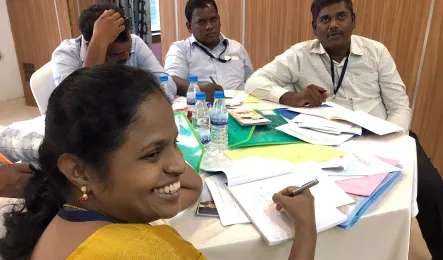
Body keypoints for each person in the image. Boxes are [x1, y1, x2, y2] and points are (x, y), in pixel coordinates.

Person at [0, 64, 317, 260]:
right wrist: (305, 227)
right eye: (152, 153)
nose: (179, 164)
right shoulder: (140, 252)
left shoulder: (62, 216)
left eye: (176, 142)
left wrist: (162, 154)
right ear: (80, 171)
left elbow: (189, 185)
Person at [245, 0, 443, 259]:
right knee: (329, 202)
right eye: (325, 19)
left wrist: (390, 138)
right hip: (327, 143)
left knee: (435, 192)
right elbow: (254, 81)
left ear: (353, 20)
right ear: (314, 27)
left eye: (341, 16)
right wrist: (290, 96)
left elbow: (400, 106)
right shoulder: (299, 55)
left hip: (386, 138)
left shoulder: (376, 52)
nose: (333, 25)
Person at [52, 4, 176, 101]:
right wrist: (97, 45)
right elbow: (74, 105)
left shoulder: (135, 42)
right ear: (89, 45)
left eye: (128, 48)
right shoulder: (66, 54)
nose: (127, 56)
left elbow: (168, 85)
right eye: (117, 54)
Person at [165, 0, 254, 101]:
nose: (209, 26)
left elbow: (252, 82)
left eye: (213, 19)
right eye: (201, 22)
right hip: (202, 110)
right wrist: (198, 90)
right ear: (189, 26)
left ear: (219, 20)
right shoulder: (180, 49)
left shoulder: (237, 48)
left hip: (242, 111)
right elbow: (170, 80)